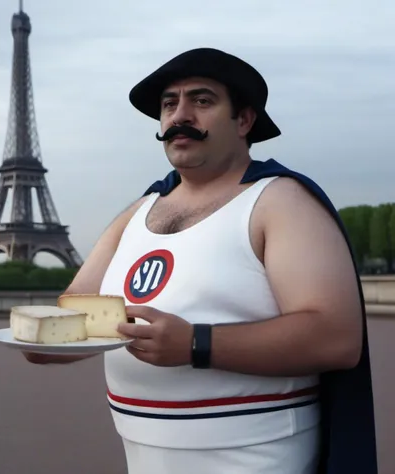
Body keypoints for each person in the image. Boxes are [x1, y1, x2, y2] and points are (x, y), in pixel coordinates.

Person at [24, 48, 378, 474]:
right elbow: (78, 310)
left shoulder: (279, 201)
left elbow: (336, 338)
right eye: (169, 104)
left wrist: (196, 343)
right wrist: (43, 344)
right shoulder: (136, 212)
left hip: (258, 457)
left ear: (244, 121)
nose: (180, 115)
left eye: (202, 101)